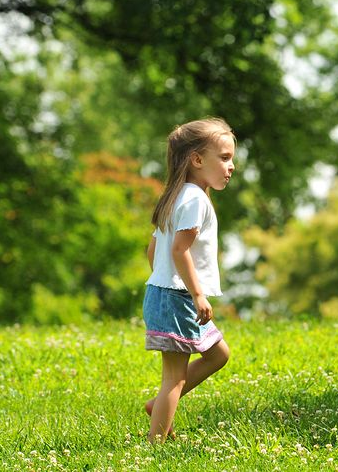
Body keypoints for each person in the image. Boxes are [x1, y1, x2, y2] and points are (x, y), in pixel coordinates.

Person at [142, 118, 236, 443]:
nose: (231, 166)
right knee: (174, 378)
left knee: (218, 354)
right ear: (197, 160)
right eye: (224, 158)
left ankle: (158, 408)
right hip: (179, 298)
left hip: (166, 293)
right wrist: (197, 294)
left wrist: (162, 280)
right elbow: (180, 250)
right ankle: (154, 447)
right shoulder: (194, 199)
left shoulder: (175, 196)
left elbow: (153, 249)